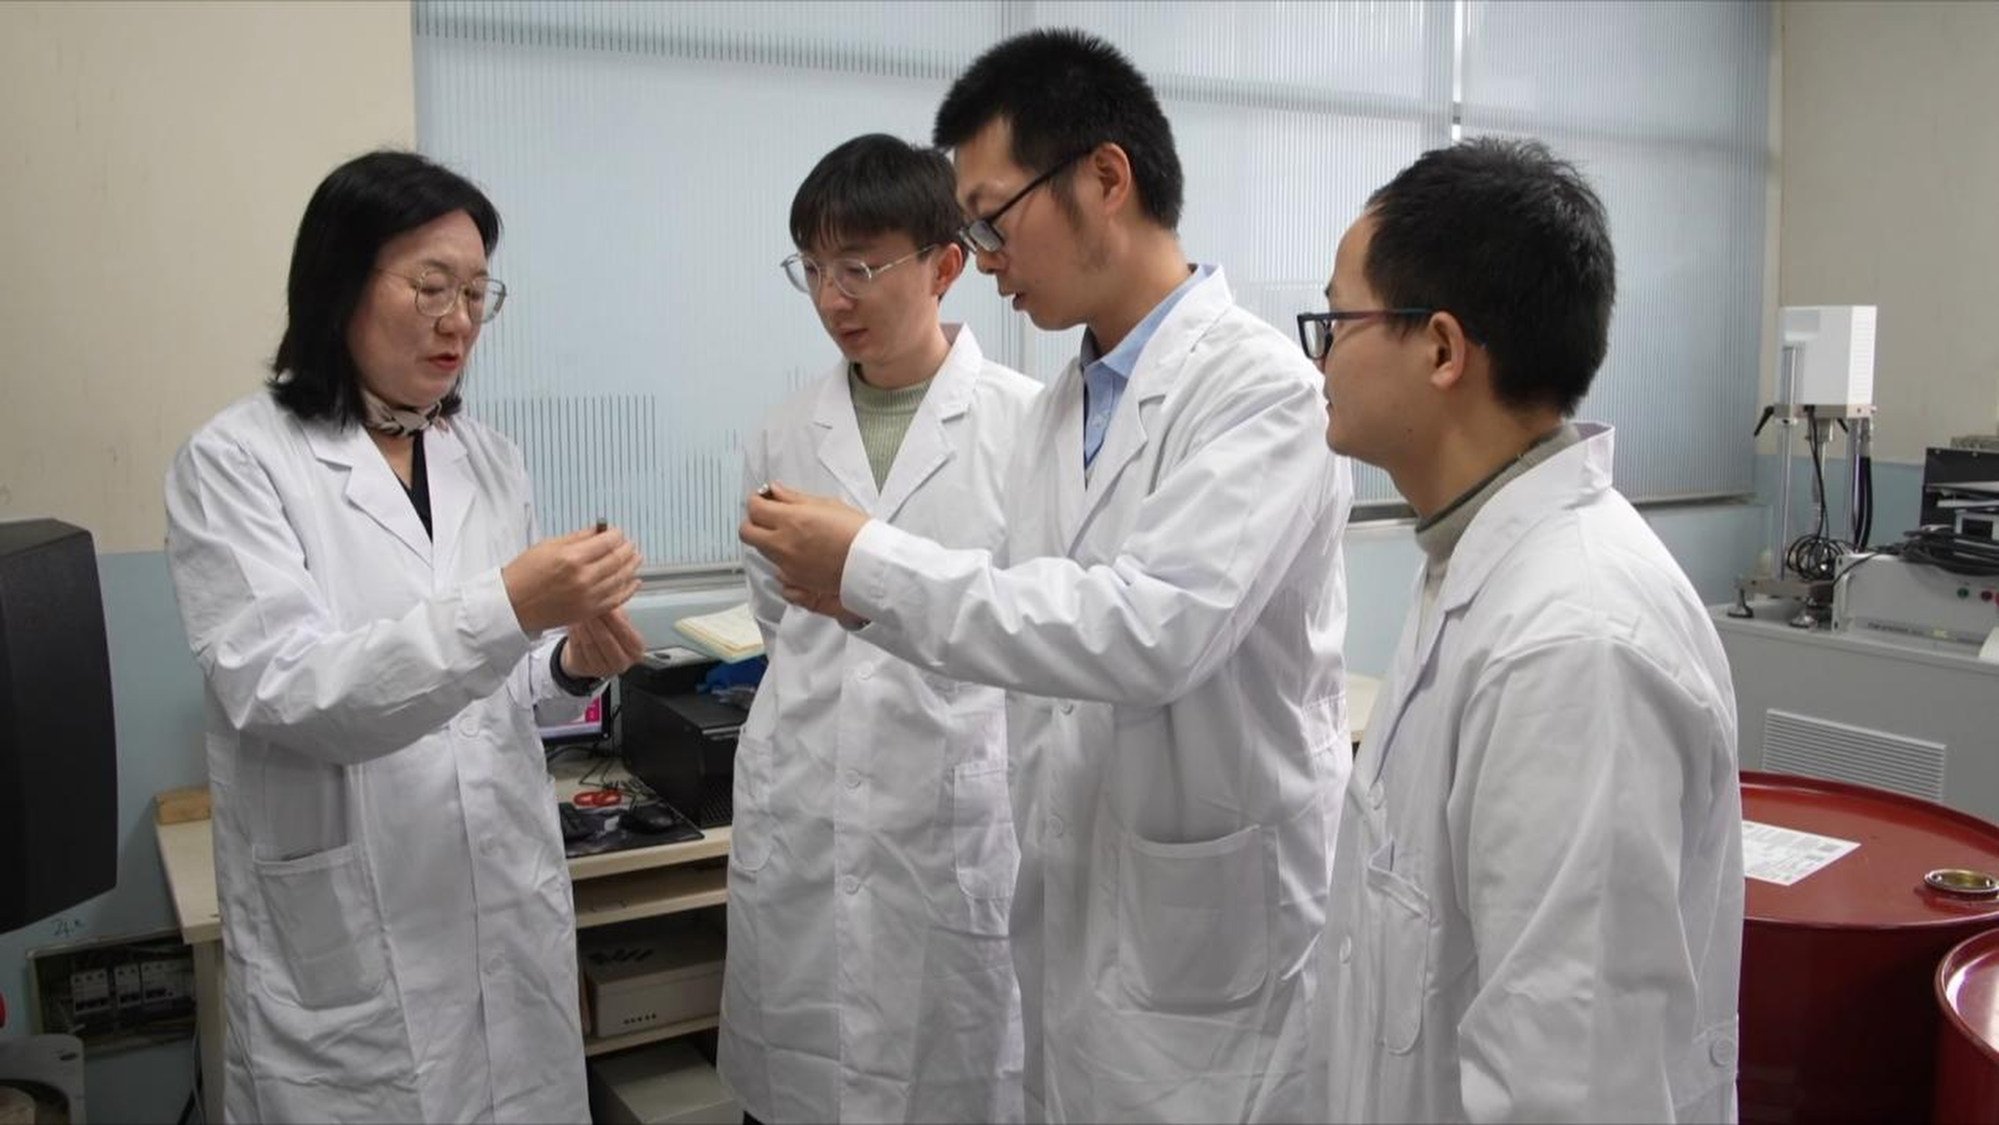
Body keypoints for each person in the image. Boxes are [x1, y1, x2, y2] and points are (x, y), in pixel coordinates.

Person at [741, 30, 1354, 1124]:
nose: (978, 254)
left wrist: (869, 565)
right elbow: (1025, 637)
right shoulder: (1067, 406)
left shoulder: (1259, 389)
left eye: (991, 218)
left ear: (1103, 180)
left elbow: (1148, 632)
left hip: (1205, 938)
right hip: (1072, 911)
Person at [163, 150, 646, 1123]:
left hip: (500, 913)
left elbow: (499, 694)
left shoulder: (486, 458)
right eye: (431, 286)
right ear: (340, 282)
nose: (459, 319)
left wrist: (565, 662)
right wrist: (510, 604)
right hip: (354, 945)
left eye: (477, 292)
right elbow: (292, 693)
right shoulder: (235, 465)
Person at [1305, 137, 1743, 1122]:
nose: (1322, 354)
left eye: (1336, 320)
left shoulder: (1574, 645)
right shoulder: (1473, 563)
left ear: (1443, 348)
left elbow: (1572, 1086)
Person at [716, 133, 1038, 1124]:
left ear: (946, 264)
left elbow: (1037, 634)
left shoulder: (1027, 429)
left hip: (954, 828)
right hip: (807, 815)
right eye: (812, 268)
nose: (832, 297)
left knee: (955, 1088)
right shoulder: (783, 432)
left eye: (859, 266)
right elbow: (781, 621)